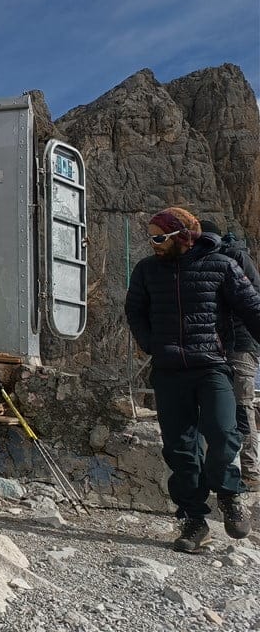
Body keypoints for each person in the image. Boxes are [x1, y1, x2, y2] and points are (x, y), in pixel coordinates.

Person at [125, 207, 260, 552]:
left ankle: (229, 496)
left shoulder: (221, 265)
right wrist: (150, 343)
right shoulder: (146, 270)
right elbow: (135, 311)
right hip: (168, 371)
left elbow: (252, 307)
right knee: (180, 449)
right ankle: (194, 521)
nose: (152, 243)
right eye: (151, 237)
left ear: (181, 236)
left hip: (212, 366)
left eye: (159, 237)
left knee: (223, 432)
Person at [199, 219, 260, 491]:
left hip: (241, 341)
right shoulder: (208, 258)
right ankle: (233, 468)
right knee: (229, 404)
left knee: (242, 403)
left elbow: (253, 298)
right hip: (218, 342)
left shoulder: (234, 257)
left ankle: (250, 470)